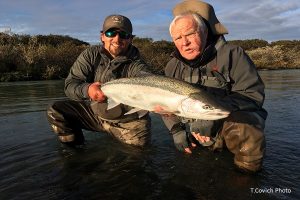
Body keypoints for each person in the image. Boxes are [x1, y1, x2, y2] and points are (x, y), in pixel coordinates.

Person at [161, 0, 267, 173]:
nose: (184, 42)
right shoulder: (172, 66)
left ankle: (246, 177)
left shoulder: (234, 54)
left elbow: (252, 96)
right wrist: (176, 130)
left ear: (204, 31)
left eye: (189, 34)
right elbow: (166, 104)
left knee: (244, 126)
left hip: (227, 127)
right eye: (178, 38)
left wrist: (209, 118)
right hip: (194, 130)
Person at [47, 14, 151, 147]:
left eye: (123, 35)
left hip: (130, 124)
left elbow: (147, 79)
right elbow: (70, 85)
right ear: (102, 36)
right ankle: (75, 151)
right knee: (55, 110)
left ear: (131, 39)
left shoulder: (137, 64)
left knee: (133, 163)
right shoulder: (90, 55)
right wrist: (87, 90)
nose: (117, 39)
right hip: (96, 115)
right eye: (111, 33)